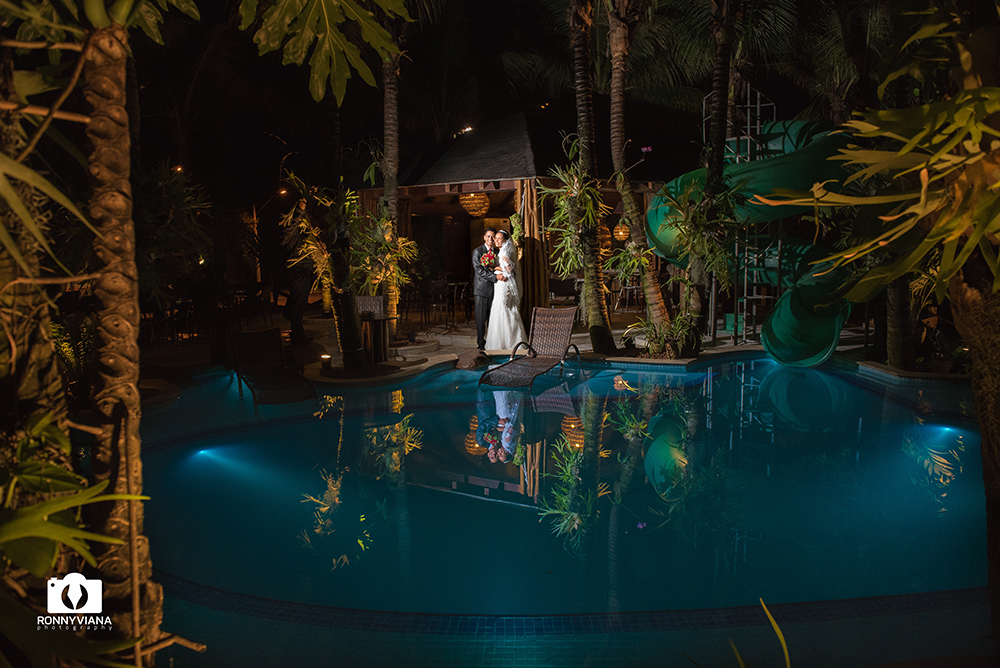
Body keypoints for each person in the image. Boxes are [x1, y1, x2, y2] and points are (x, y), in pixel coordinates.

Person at [484, 230, 526, 350]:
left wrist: (494, 267)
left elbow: (509, 270)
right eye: (495, 238)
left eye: (499, 238)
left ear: (505, 241)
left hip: (504, 285)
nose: (496, 240)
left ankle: (507, 342)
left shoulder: (504, 252)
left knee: (504, 309)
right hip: (500, 285)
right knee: (503, 309)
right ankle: (507, 341)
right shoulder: (503, 250)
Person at [472, 228, 501, 351]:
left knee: (492, 319)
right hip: (481, 290)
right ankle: (480, 344)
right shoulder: (478, 252)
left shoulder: (498, 252)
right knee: (480, 319)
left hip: (495, 290)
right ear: (484, 237)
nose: (490, 239)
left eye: (492, 237)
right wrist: (495, 277)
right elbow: (479, 270)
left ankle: (491, 343)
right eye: (488, 236)